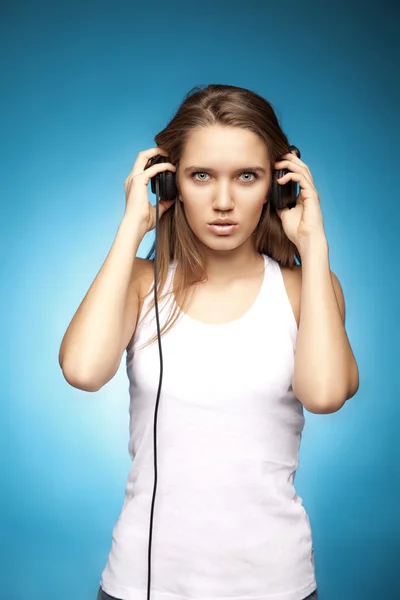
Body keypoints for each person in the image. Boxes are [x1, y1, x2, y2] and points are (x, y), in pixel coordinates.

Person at [59, 84, 359, 600]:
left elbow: (326, 394)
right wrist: (131, 228)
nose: (223, 202)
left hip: (276, 583)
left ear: (278, 186)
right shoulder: (137, 284)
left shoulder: (305, 289)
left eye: (247, 176)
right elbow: (83, 371)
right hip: (142, 583)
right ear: (169, 182)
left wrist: (314, 243)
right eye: (201, 176)